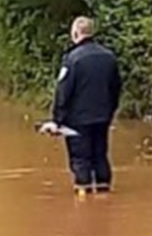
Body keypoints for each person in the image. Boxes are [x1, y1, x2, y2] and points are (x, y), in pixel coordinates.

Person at [47, 16, 122, 196]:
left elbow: (63, 92)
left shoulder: (72, 59)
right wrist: (110, 111)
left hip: (77, 121)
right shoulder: (109, 57)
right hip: (102, 117)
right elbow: (116, 88)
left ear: (75, 34)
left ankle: (84, 199)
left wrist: (57, 119)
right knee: (100, 155)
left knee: (81, 159)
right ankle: (104, 193)